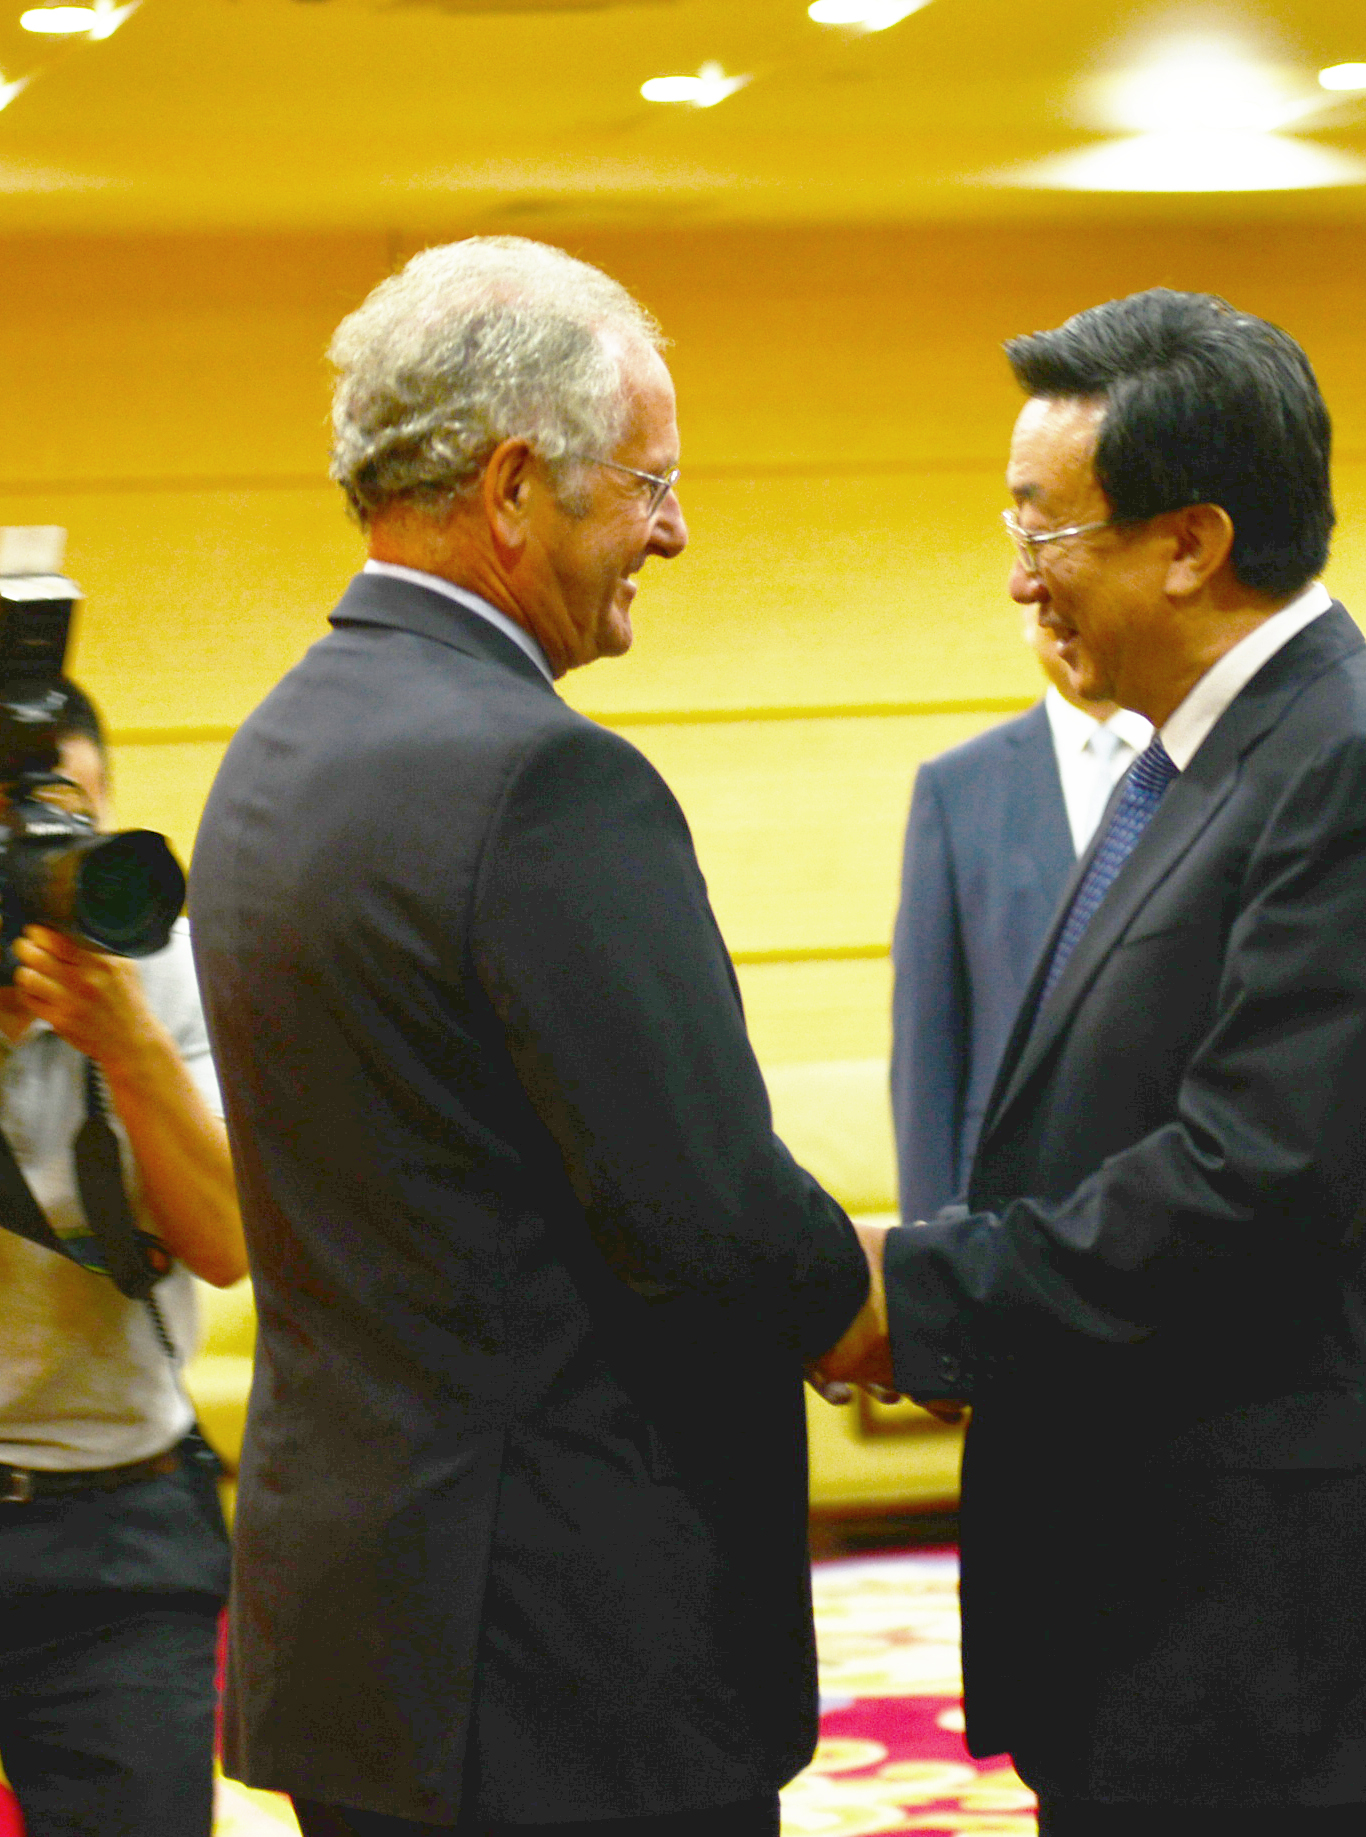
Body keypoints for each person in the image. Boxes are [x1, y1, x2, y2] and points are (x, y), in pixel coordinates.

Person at [820, 288, 1366, 1834]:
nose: (1019, 575)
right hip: (1171, 1610)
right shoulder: (1200, 758)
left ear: (1192, 543)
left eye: (1045, 528)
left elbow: (1256, 1186)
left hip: (1285, 1641)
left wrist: (916, 1299)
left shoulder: (1356, 767)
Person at [188, 237, 870, 1837]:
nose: (673, 531)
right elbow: (705, 1216)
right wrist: (904, 1308)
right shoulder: (550, 783)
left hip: (369, 1647)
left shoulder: (273, 750)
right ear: (511, 489)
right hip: (570, 1665)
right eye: (648, 483)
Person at [0, 683, 242, 1837]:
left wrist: (132, 1044)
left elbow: (229, 1243)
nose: (50, 862)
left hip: (117, 1530)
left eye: (71, 820)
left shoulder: (162, 961)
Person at [890, 609, 1151, 1224]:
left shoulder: (1206, 768)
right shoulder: (956, 786)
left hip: (1168, 1192)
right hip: (1001, 1200)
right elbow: (928, 1034)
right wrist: (927, 1243)